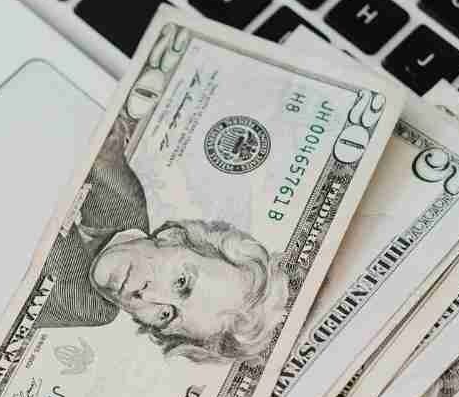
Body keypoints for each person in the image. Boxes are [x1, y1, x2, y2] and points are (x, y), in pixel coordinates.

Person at [39, 114, 290, 364]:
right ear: (175, 236)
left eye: (166, 315)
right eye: (181, 282)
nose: (148, 296)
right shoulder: (122, 198)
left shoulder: (86, 305)